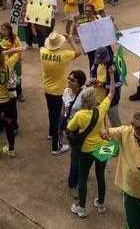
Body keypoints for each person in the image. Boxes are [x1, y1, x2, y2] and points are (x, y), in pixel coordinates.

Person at [67, 68, 116, 218]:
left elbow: (69, 128)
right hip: (104, 147)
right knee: (100, 176)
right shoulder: (101, 109)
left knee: (82, 178)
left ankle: (81, 208)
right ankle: (101, 204)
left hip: (86, 150)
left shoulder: (80, 115)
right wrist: (112, 75)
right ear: (95, 100)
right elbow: (111, 92)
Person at [41, 31, 82, 154]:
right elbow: (78, 52)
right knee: (59, 116)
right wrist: (71, 40)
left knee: (51, 113)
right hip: (58, 90)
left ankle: (51, 133)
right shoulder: (64, 54)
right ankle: (56, 146)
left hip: (47, 88)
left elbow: (45, 47)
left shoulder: (42, 52)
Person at [62, 69, 87, 199]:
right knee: (75, 158)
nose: (69, 81)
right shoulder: (65, 92)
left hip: (82, 130)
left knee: (83, 155)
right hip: (70, 130)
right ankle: (72, 185)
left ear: (79, 83)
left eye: (72, 80)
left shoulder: (84, 95)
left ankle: (81, 175)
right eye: (69, 78)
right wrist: (61, 126)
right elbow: (64, 109)